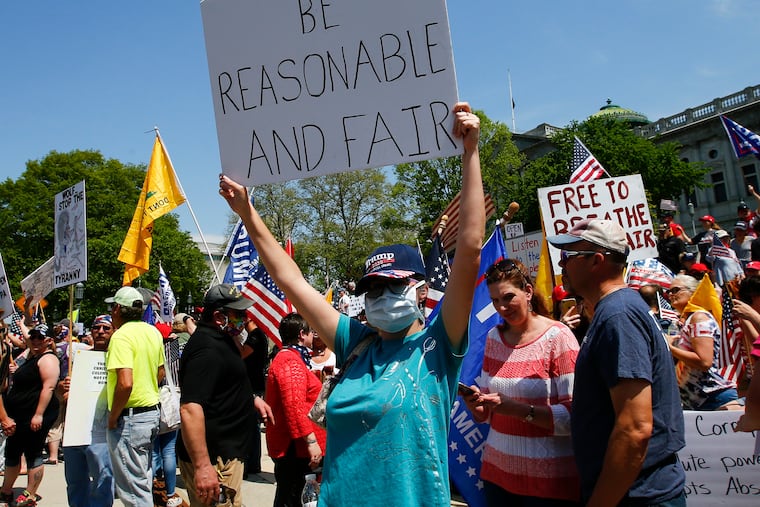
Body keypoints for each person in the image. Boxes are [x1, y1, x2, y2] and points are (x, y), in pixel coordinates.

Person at [219, 101, 485, 506]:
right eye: (372, 290)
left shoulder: (439, 344)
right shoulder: (354, 343)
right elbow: (290, 279)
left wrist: (470, 153)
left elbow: (468, 248)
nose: (380, 298)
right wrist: (247, 212)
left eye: (391, 287)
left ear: (420, 291)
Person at [548, 219, 686, 507]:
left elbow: (635, 428)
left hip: (638, 496)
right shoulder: (613, 312)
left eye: (567, 256)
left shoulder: (618, 316)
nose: (561, 265)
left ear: (596, 261)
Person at [460, 258, 580, 506]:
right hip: (497, 477)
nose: (501, 307)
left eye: (507, 297)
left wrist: (517, 410)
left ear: (527, 291)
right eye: (495, 301)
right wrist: (476, 404)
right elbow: (486, 413)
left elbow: (575, 416)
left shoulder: (559, 337)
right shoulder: (494, 338)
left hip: (548, 484)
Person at [177, 284, 274, 507]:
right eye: (239, 314)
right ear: (219, 316)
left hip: (227, 455)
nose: (244, 318)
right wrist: (202, 467)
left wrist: (251, 399)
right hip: (215, 460)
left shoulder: (222, 340)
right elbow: (190, 408)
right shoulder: (206, 349)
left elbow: (223, 383)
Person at [105, 286, 165, 507]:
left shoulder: (121, 337)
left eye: (113, 307)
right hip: (150, 414)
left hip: (130, 418)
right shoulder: (153, 332)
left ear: (118, 309)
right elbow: (161, 371)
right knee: (142, 480)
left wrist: (113, 417)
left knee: (133, 490)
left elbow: (125, 382)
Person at [265, 313, 327, 507]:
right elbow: (294, 406)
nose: (313, 336)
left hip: (295, 447)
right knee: (292, 497)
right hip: (294, 449)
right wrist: (311, 442)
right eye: (311, 332)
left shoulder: (292, 358)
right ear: (302, 334)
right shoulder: (290, 361)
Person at [0, 323, 60, 507]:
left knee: (33, 452)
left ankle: (29, 494)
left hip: (35, 414)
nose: (34, 339)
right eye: (32, 336)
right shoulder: (32, 356)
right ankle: (6, 489)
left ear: (48, 341)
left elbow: (48, 387)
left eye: (39, 337)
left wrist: (39, 414)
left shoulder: (48, 359)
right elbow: (25, 337)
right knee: (13, 451)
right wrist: (21, 320)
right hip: (19, 414)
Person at [62, 314, 115, 507]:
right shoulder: (80, 359)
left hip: (101, 432)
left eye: (106, 328)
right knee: (75, 481)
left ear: (114, 331)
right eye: (96, 328)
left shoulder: (118, 359)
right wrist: (65, 387)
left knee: (103, 480)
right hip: (76, 430)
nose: (100, 332)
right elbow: (63, 392)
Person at [665, 274, 740, 410]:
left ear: (692, 291)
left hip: (713, 398)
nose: (670, 294)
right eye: (669, 291)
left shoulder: (699, 318)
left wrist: (669, 347)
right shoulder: (689, 320)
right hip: (698, 400)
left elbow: (704, 362)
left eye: (676, 290)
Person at [152, 322, 183, 507]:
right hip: (171, 404)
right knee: (169, 452)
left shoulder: (152, 353)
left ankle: (152, 488)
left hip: (154, 403)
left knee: (154, 451)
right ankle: (170, 493)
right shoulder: (175, 355)